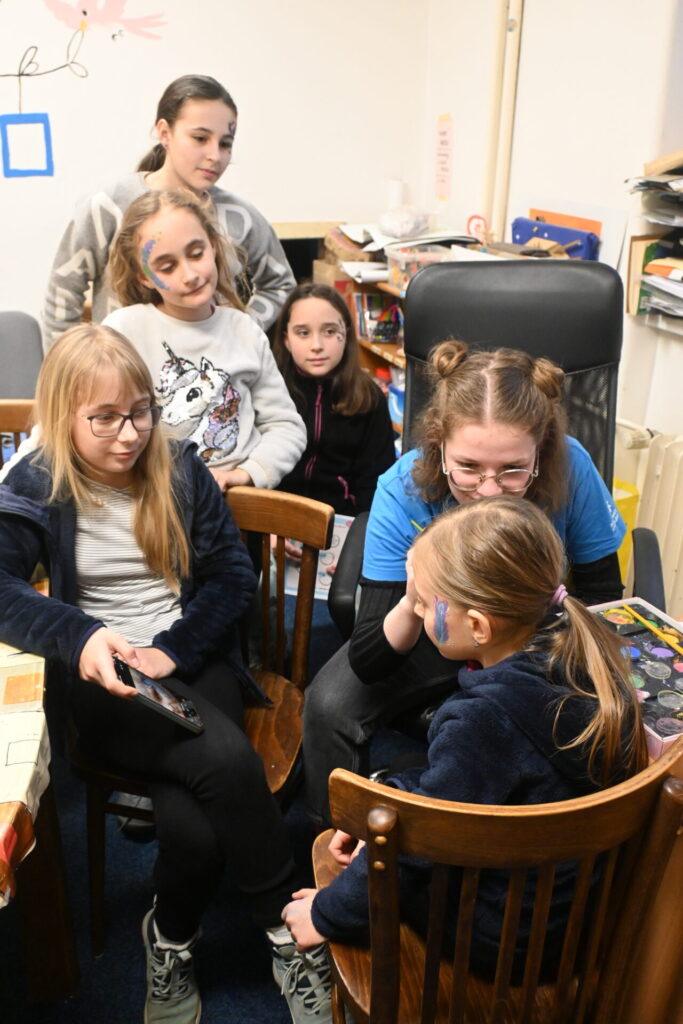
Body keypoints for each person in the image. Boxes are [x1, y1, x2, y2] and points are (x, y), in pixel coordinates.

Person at [0, 325, 331, 1024]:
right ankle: (288, 928)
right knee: (225, 761)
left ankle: (170, 939)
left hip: (189, 656)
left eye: (140, 412)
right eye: (105, 418)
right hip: (106, 675)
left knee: (196, 825)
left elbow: (230, 577)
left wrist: (174, 650)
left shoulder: (178, 466)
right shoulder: (37, 479)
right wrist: (82, 635)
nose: (129, 435)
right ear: (63, 416)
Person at [283, 496, 647, 984]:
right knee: (401, 786)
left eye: (421, 602)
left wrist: (328, 912)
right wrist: (383, 800)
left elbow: (417, 845)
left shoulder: (483, 722)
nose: (415, 609)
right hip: (576, 914)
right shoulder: (584, 652)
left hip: (507, 938)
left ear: (477, 626)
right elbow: (467, 782)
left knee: (373, 869)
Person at [303, 341, 628, 825]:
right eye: (469, 468)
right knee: (328, 704)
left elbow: (602, 593)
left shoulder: (571, 466)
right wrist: (414, 597)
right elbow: (369, 659)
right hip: (438, 628)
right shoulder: (403, 487)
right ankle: (335, 833)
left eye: (513, 470)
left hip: (534, 632)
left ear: (541, 451)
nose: (489, 491)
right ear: (439, 446)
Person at [42, 74, 295, 347]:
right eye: (200, 138)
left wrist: (240, 333)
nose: (215, 155)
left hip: (211, 371)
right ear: (164, 133)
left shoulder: (240, 217)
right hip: (126, 370)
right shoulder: (108, 206)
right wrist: (71, 366)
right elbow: (62, 296)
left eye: (225, 144)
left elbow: (280, 285)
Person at [103, 187, 305, 493]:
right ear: (144, 277)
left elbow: (286, 427)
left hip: (238, 506)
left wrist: (246, 474)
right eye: (167, 267)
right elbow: (79, 416)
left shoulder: (245, 331)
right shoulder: (122, 332)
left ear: (213, 245)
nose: (190, 275)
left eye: (196, 254)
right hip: (153, 501)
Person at [272, 283, 396, 517]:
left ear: (346, 334)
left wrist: (357, 528)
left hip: (341, 521)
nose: (316, 346)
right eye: (303, 333)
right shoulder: (269, 391)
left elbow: (375, 484)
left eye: (329, 332)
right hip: (273, 517)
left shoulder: (369, 397)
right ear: (286, 339)